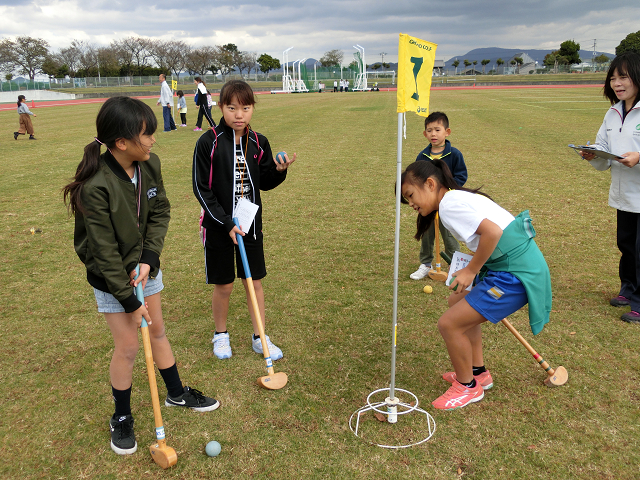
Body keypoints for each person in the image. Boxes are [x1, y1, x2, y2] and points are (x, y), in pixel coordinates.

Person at [63, 96, 219, 456]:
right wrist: (130, 301)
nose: (152, 140)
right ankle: (121, 416)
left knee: (159, 331)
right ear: (122, 143)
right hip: (112, 278)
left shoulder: (150, 165)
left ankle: (177, 394)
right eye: (146, 134)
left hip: (144, 269)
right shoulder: (96, 186)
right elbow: (102, 253)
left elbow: (160, 210)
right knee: (130, 346)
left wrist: (149, 258)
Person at [400, 160, 551, 410]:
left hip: (516, 275)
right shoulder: (453, 198)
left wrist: (471, 270)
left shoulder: (449, 206)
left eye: (411, 195)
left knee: (449, 324)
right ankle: (478, 372)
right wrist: (470, 266)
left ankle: (468, 387)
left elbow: (493, 233)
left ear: (430, 184)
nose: (411, 204)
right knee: (456, 303)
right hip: (509, 267)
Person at [193, 80, 297, 360]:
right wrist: (225, 223)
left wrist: (280, 169)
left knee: (254, 282)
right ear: (221, 107)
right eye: (232, 108)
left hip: (250, 223)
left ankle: (259, 335)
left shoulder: (258, 141)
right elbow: (201, 188)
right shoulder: (208, 142)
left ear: (252, 109)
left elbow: (264, 181)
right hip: (219, 226)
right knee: (224, 284)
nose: (239, 114)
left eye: (245, 108)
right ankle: (220, 335)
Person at [580, 52, 640, 324]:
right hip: (624, 193)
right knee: (626, 244)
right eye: (613, 77)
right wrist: (594, 153)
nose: (617, 83)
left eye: (623, 76)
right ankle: (628, 290)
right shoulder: (614, 111)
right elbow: (603, 146)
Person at [410, 112, 467, 280]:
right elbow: (416, 178)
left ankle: (456, 265)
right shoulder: (422, 156)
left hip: (447, 203)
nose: (433, 134)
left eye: (437, 130)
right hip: (427, 205)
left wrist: (447, 191)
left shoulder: (454, 154)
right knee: (426, 233)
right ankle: (426, 264)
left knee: (449, 234)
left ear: (447, 132)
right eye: (429, 130)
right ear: (425, 133)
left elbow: (461, 176)